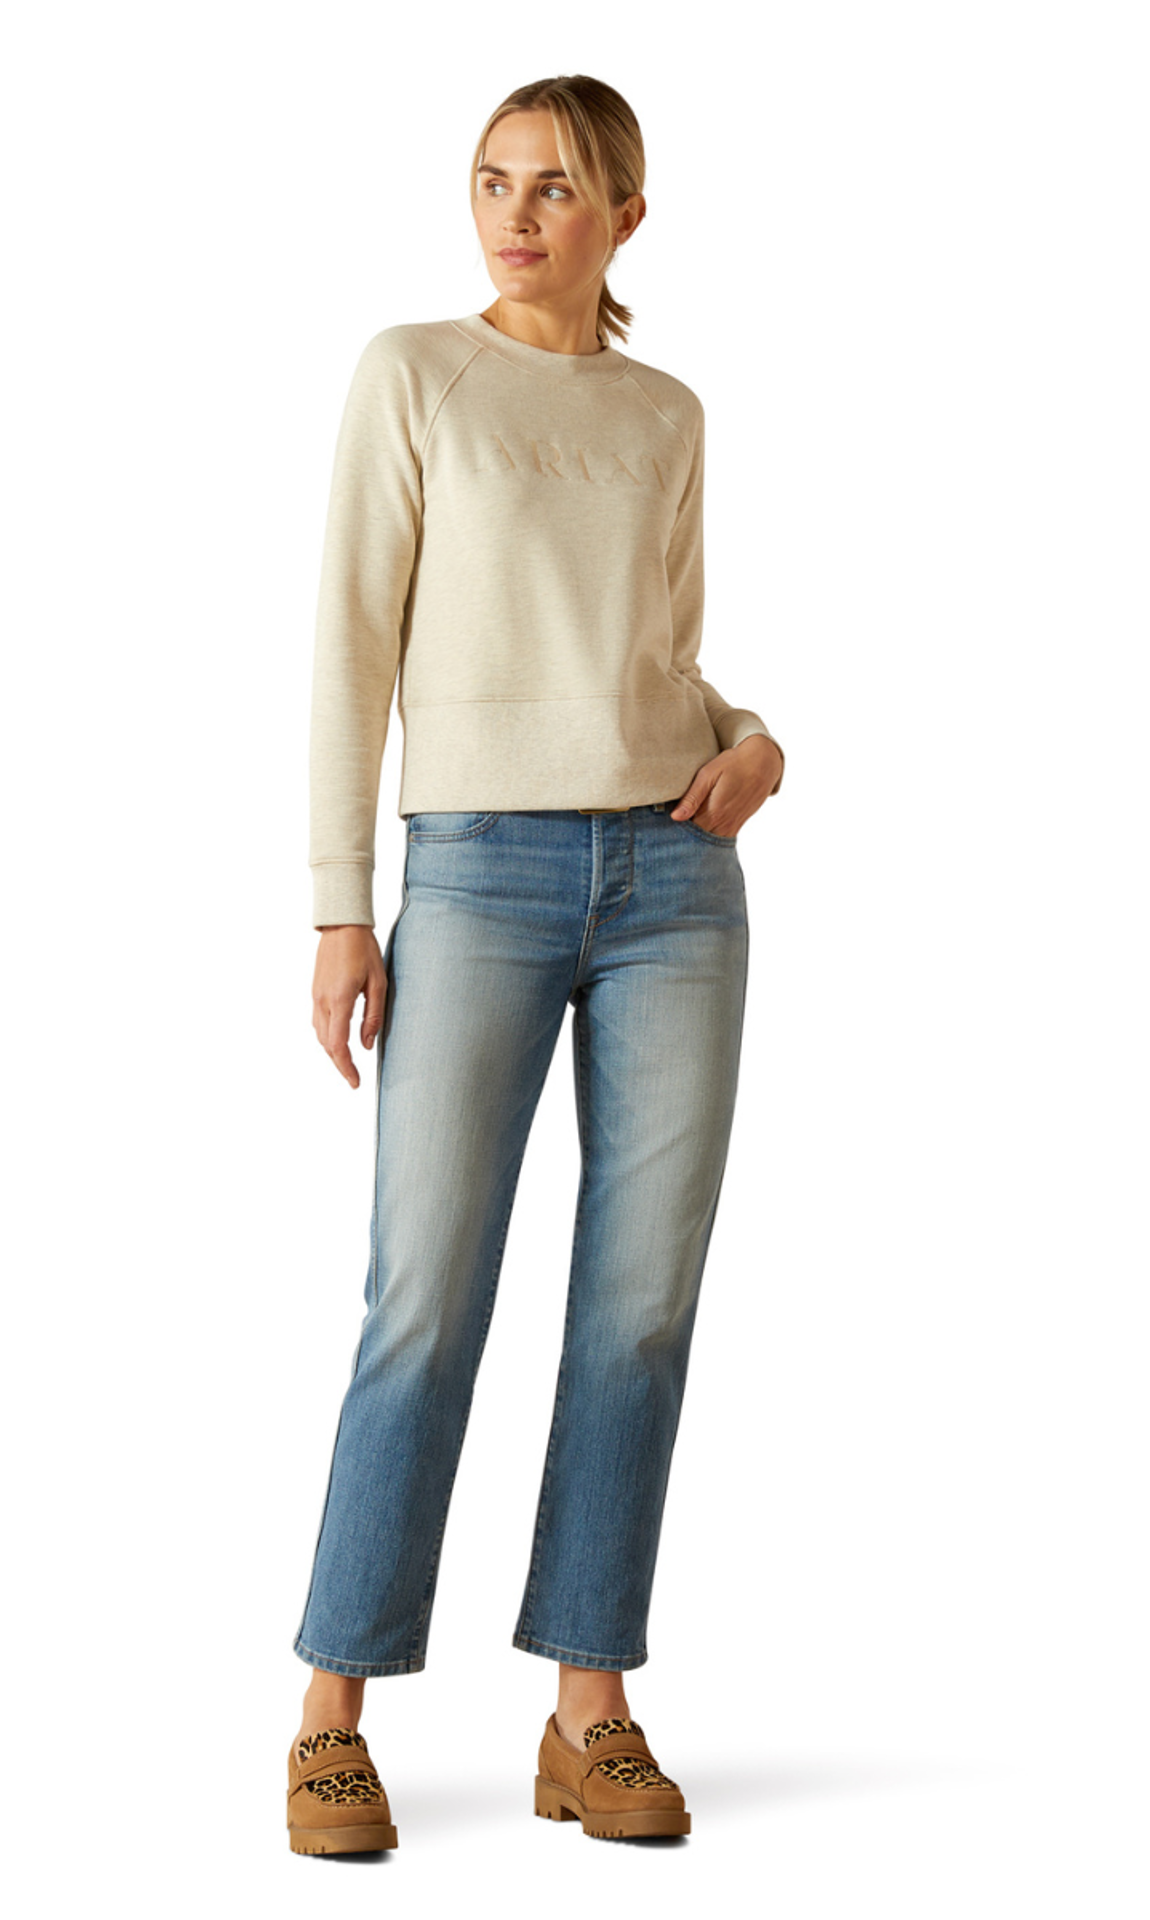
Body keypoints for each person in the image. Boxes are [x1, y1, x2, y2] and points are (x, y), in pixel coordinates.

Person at [286, 75, 786, 1855]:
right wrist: (342, 904)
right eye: (493, 181)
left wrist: (752, 741)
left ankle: (591, 1711)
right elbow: (350, 647)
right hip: (479, 874)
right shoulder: (415, 376)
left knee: (639, 1307)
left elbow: (661, 658)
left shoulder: (665, 414)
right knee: (424, 1295)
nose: (517, 214)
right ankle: (331, 1714)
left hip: (675, 875)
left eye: (557, 187)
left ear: (625, 216)